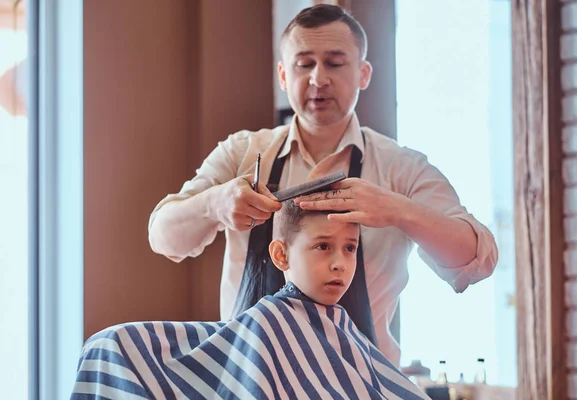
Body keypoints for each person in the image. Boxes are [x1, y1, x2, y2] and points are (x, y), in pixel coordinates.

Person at [148, 4, 498, 367]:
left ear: (363, 73)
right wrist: (213, 204)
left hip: (363, 385)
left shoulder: (401, 167)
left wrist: (397, 210)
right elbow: (162, 236)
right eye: (304, 64)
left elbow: (477, 260)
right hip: (249, 381)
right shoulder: (242, 153)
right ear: (283, 75)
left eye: (334, 63)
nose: (318, 79)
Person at [70, 202, 432, 399]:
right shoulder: (268, 324)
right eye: (323, 246)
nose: (340, 262)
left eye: (350, 248)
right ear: (282, 256)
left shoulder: (341, 329)